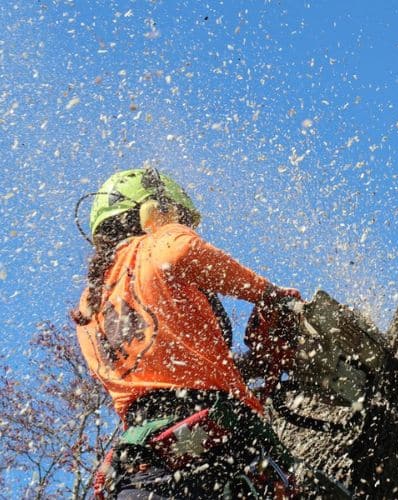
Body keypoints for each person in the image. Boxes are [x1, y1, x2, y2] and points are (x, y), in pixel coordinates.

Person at [71, 167, 302, 499]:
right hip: (211, 447)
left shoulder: (89, 309)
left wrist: (248, 369)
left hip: (140, 468)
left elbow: (163, 376)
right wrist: (270, 296)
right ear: (152, 211)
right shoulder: (156, 244)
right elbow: (183, 251)